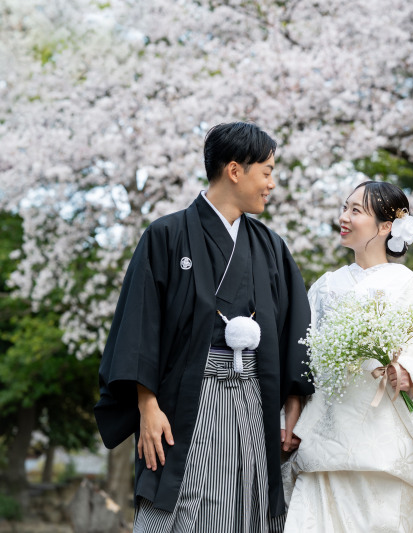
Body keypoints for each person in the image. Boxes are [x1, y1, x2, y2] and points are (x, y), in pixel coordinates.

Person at [94, 122, 313, 533]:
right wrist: (147, 405)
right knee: (183, 499)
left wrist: (293, 410)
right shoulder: (166, 235)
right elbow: (140, 325)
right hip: (183, 404)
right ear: (235, 170)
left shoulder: (271, 248)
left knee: (247, 501)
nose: (272, 183)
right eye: (266, 171)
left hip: (254, 399)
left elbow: (294, 333)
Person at [282, 181, 413, 532]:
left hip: (382, 451)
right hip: (323, 445)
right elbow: (302, 361)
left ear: (385, 226)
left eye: (355, 210)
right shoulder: (324, 287)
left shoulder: (412, 286)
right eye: (344, 207)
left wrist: (407, 370)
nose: (343, 217)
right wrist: (290, 417)